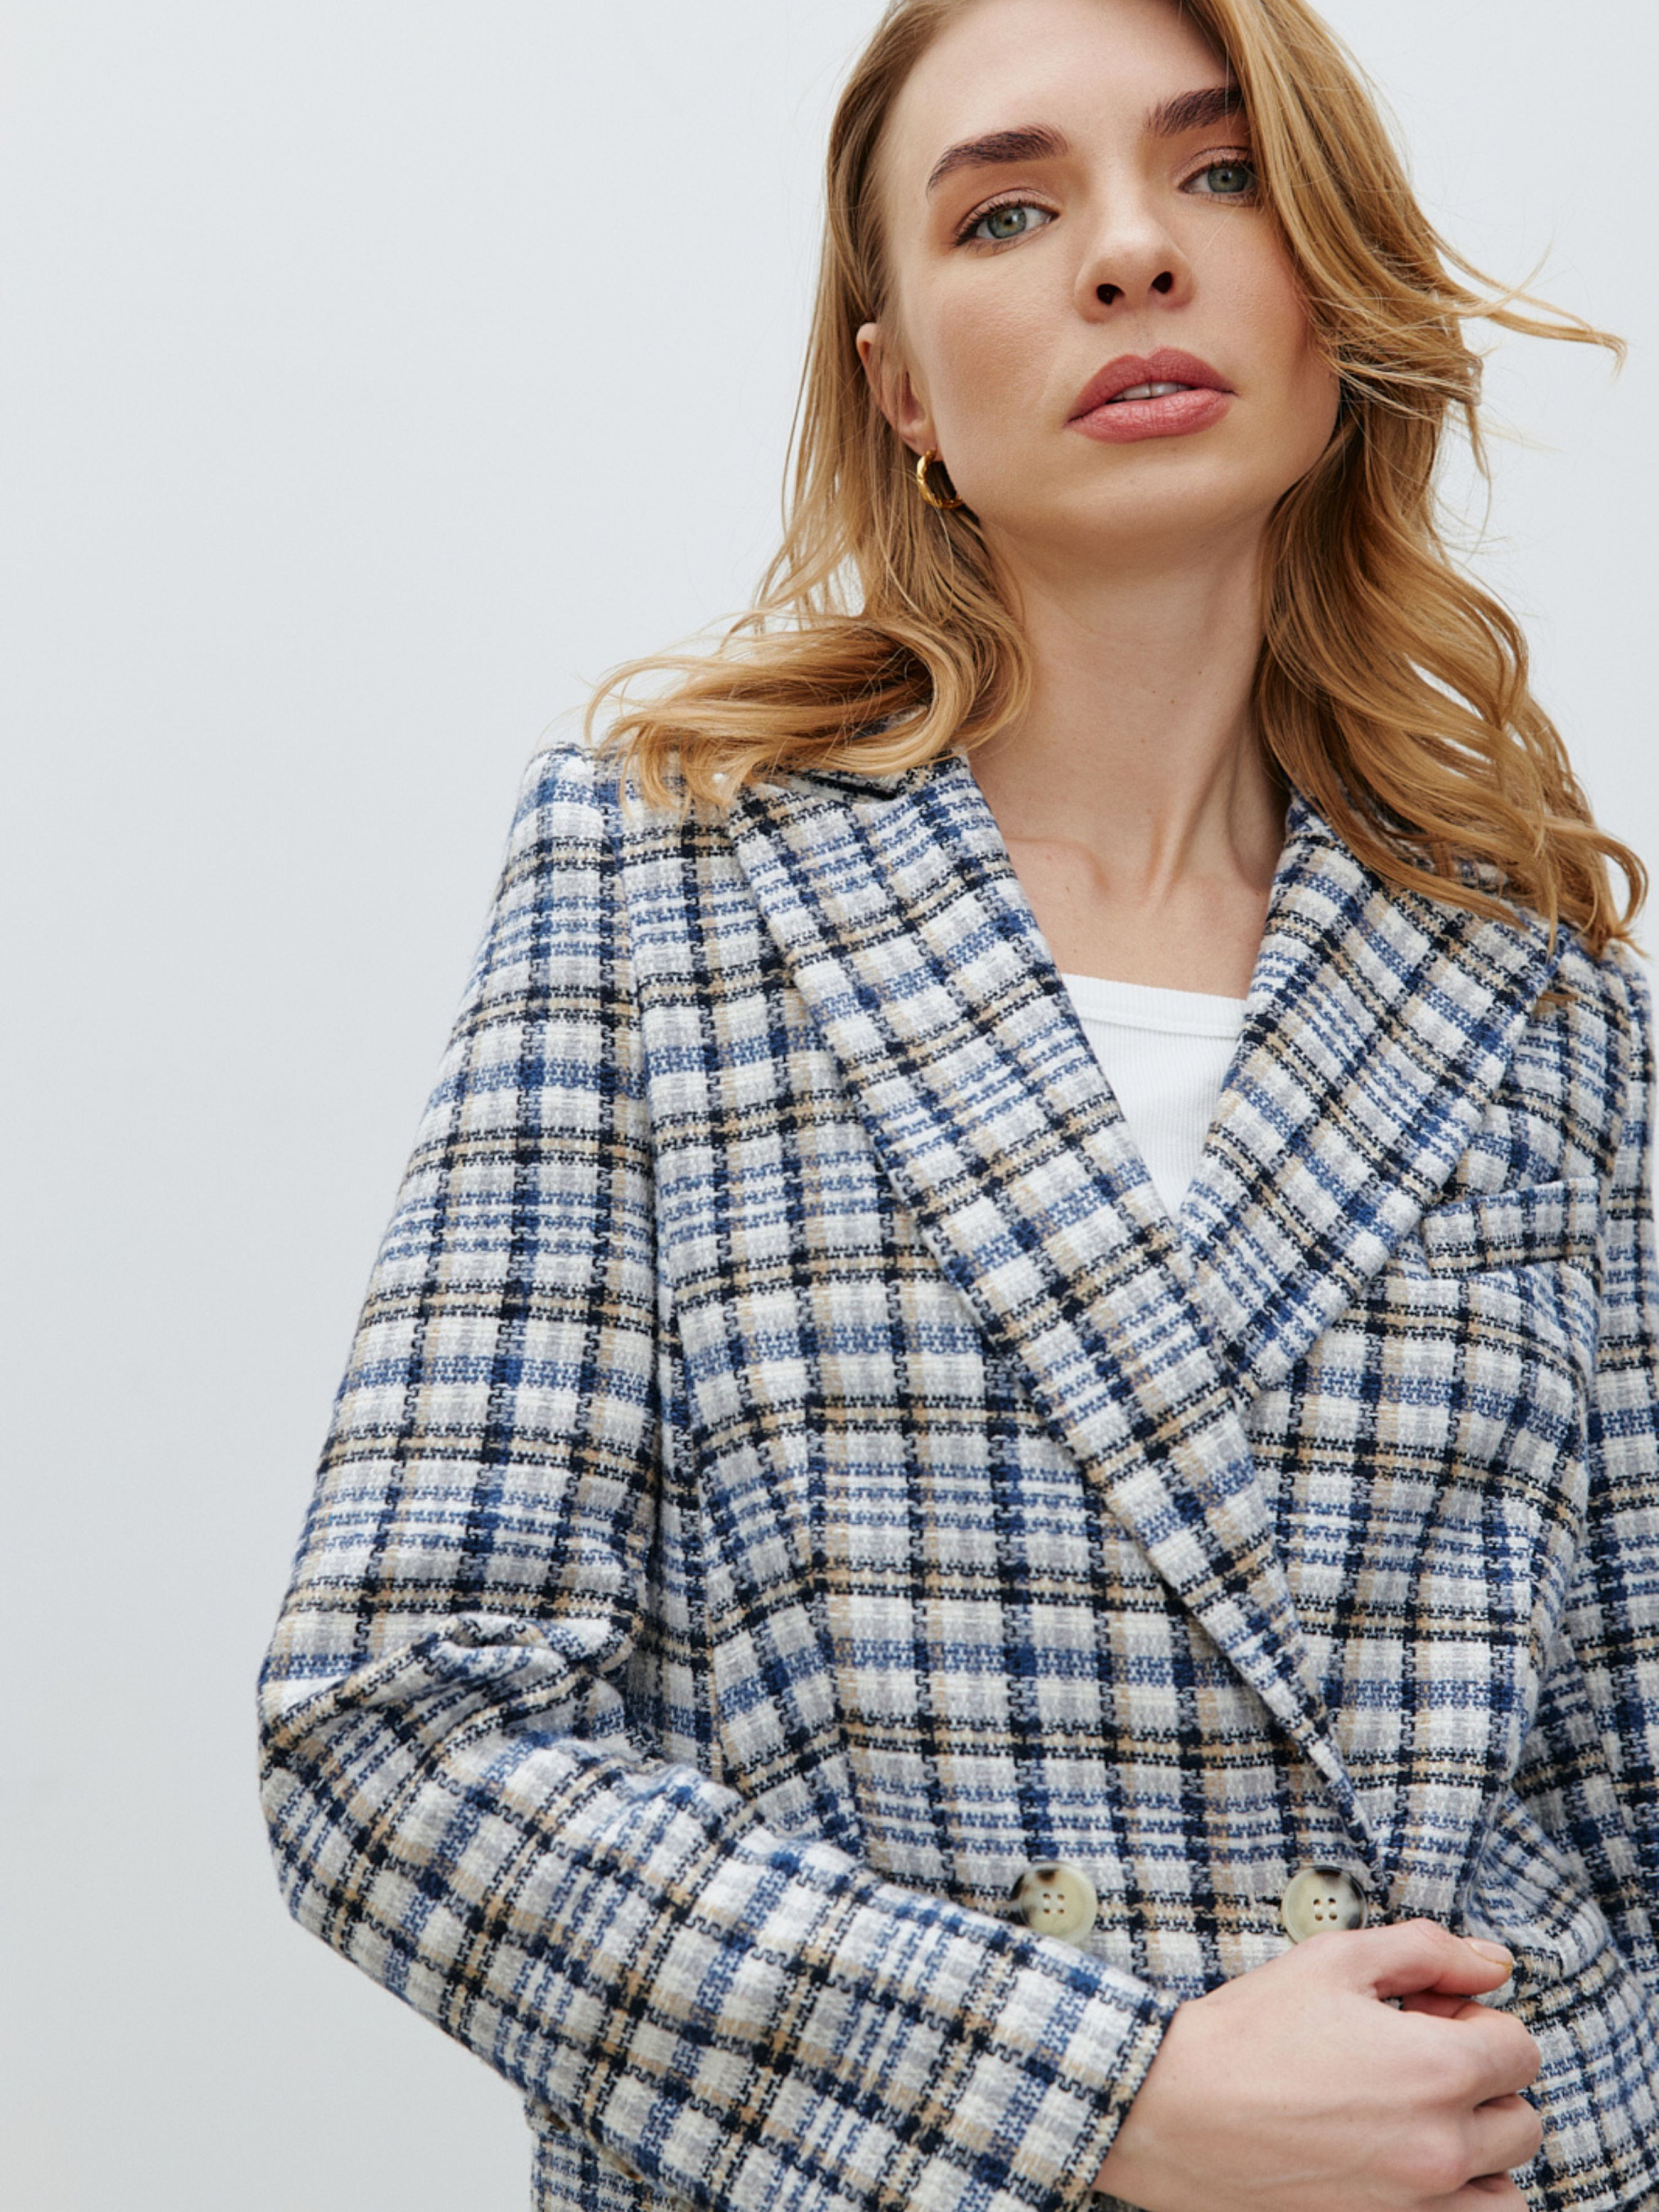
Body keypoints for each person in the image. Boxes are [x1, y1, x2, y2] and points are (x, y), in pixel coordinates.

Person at [257, 0, 1659, 2205]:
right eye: (1004, 211)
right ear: (900, 381)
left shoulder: (1532, 978)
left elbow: (1626, 1800)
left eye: (1217, 172)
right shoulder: (661, 881)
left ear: (1334, 293)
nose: (1130, 251)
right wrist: (1100, 2090)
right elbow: (400, 1734)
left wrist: (1529, 2118)